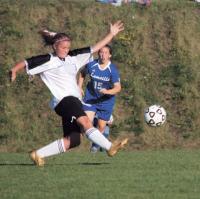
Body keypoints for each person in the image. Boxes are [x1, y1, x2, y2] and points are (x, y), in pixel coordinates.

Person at [10, 21, 128, 166]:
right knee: (86, 122)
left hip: (74, 101)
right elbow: (27, 62)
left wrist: (111, 34)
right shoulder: (48, 60)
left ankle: (38, 154)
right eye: (63, 47)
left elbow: (95, 48)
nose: (66, 50)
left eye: (68, 47)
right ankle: (110, 147)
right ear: (55, 46)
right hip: (64, 100)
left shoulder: (73, 57)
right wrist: (14, 70)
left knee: (74, 140)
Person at [78, 45, 121, 153]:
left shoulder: (112, 70)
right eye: (101, 52)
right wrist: (79, 87)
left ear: (110, 55)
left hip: (106, 101)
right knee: (86, 122)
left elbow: (118, 88)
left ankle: (95, 144)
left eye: (106, 52)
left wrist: (107, 92)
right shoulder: (92, 65)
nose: (103, 54)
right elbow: (82, 73)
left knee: (101, 127)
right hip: (90, 98)